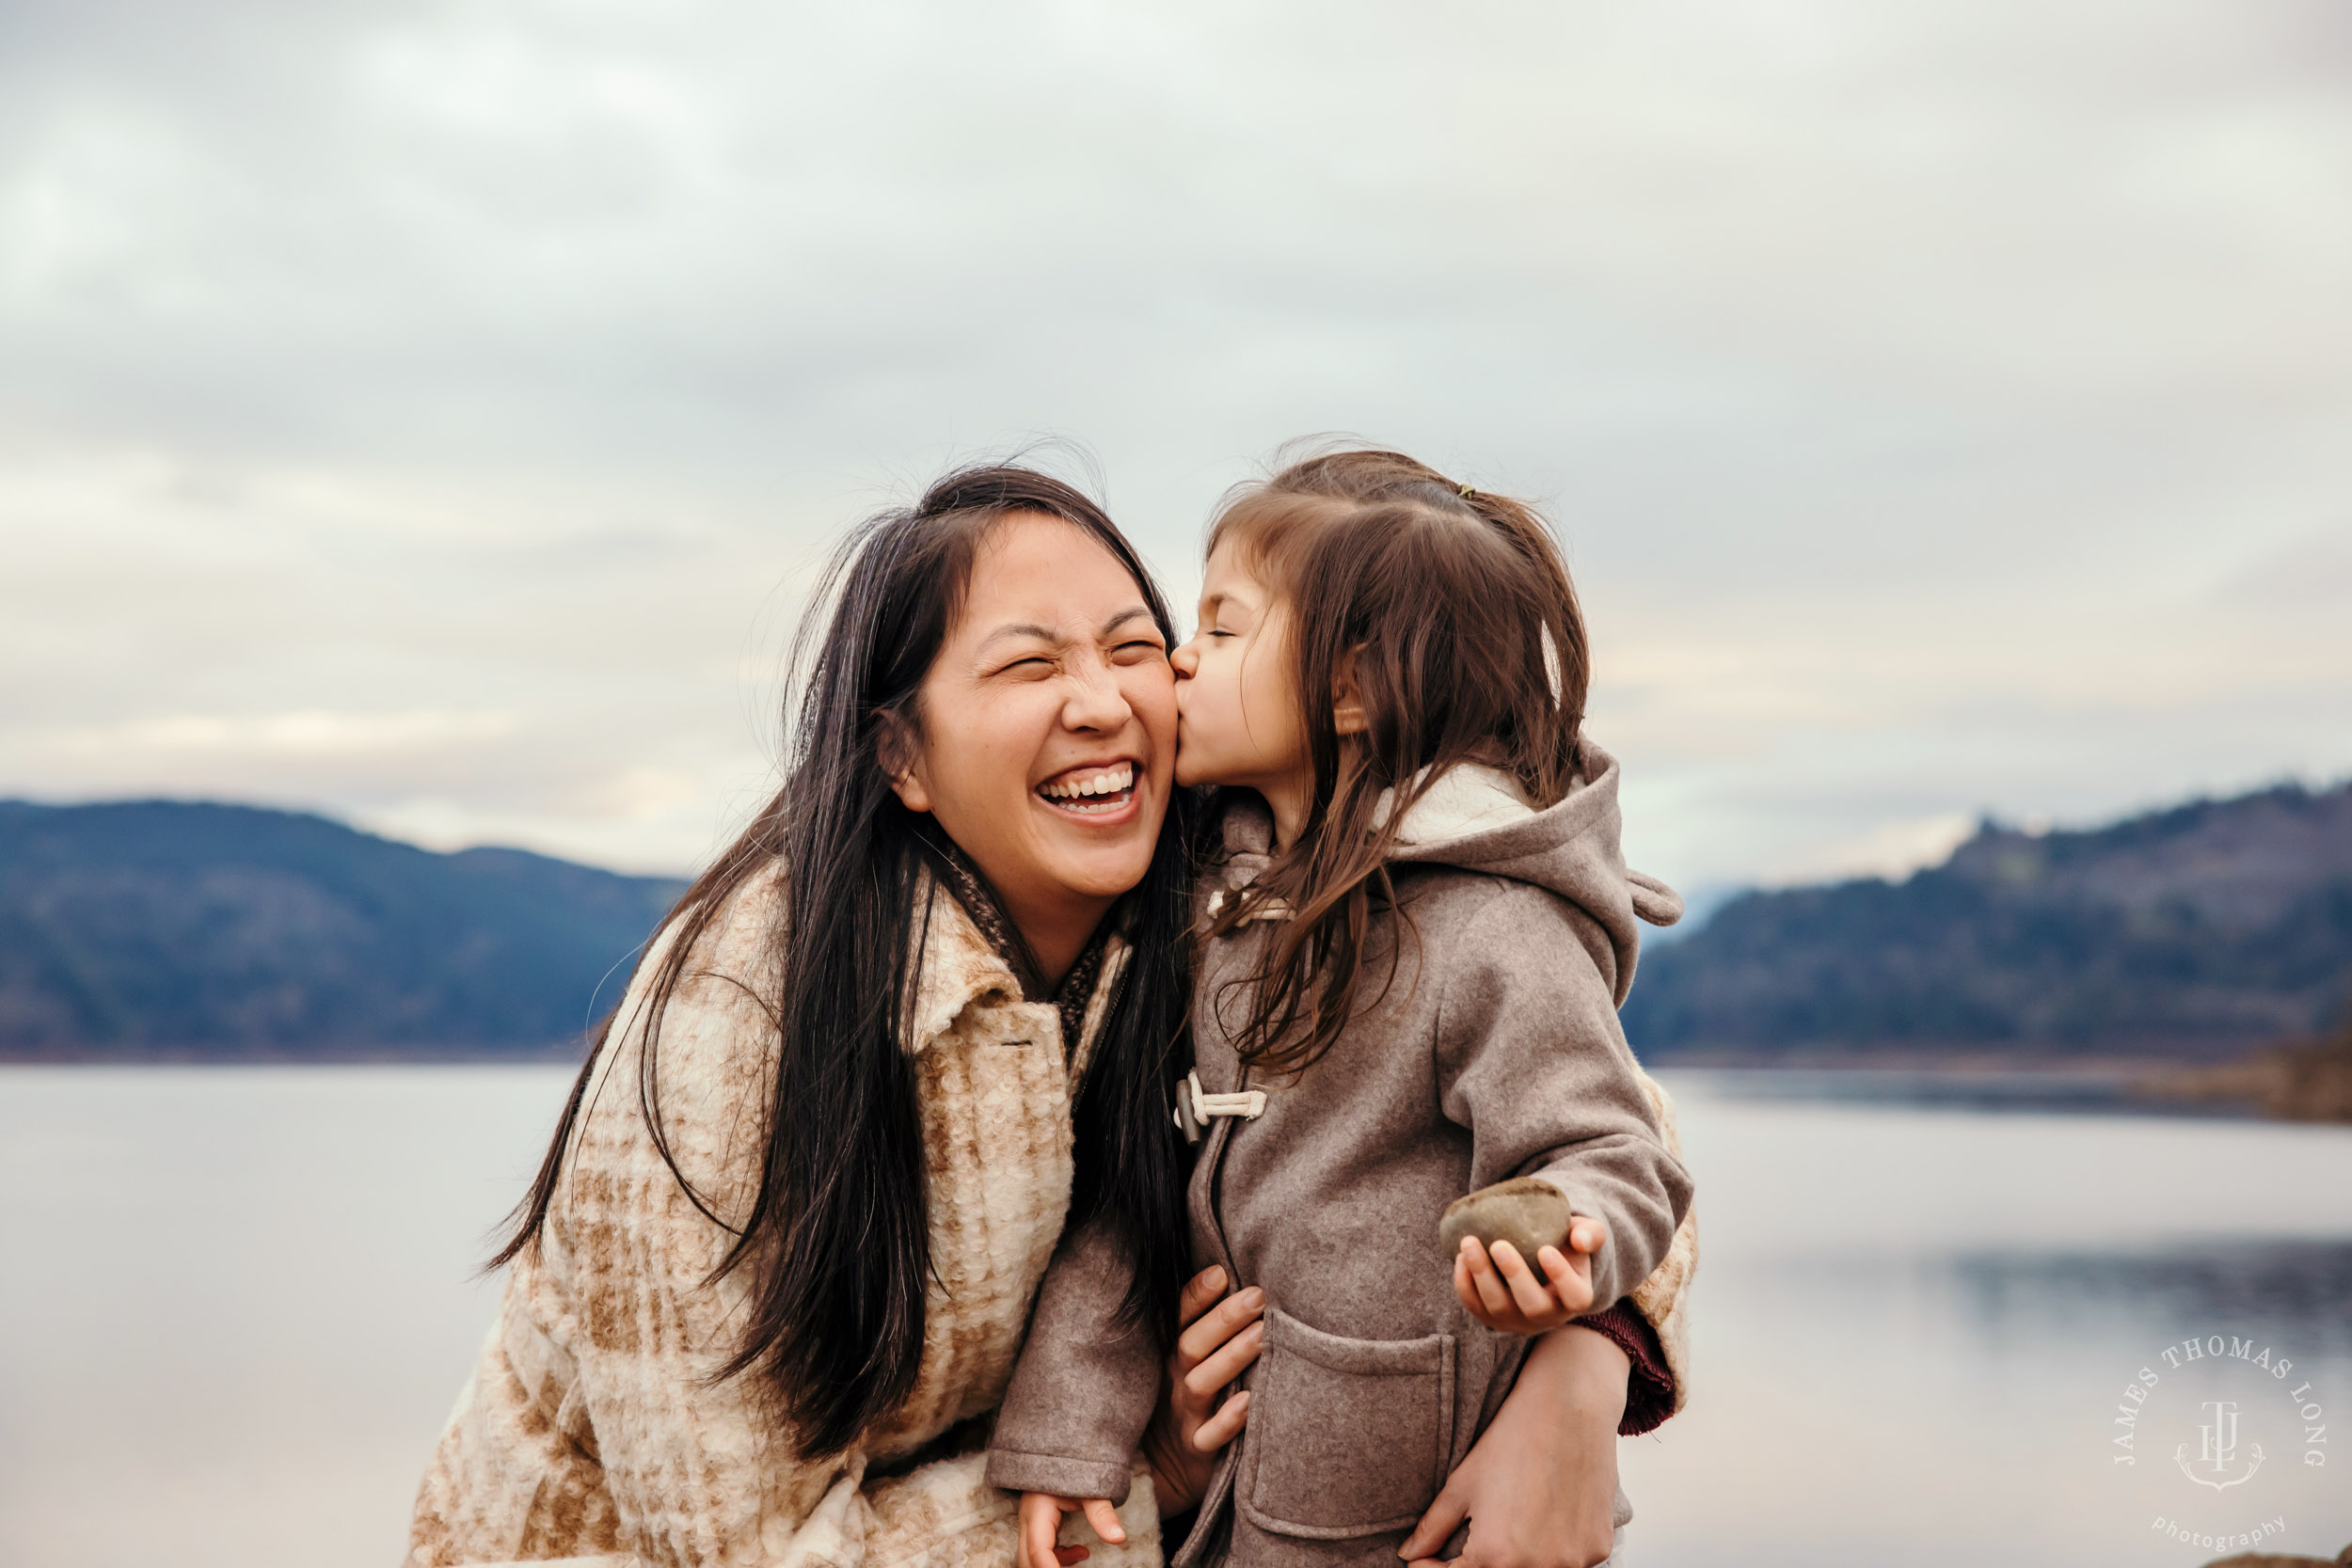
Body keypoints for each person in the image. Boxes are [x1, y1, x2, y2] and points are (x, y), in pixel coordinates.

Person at [406, 467, 1208, 1568]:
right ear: (903, 757)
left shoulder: (1208, 932)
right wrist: (1142, 1480)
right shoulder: (740, 1010)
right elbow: (733, 1551)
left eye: (1130, 650)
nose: (1102, 702)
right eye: (1030, 663)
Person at [987, 449, 1700, 1568]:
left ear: (1351, 688)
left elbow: (1610, 1142)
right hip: (1238, 1512)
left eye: (1222, 630)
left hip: (1417, 1524)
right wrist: (1064, 1433)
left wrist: (1568, 1243)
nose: (1181, 654)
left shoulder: (1485, 929)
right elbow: (1135, 1207)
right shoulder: (1206, 908)